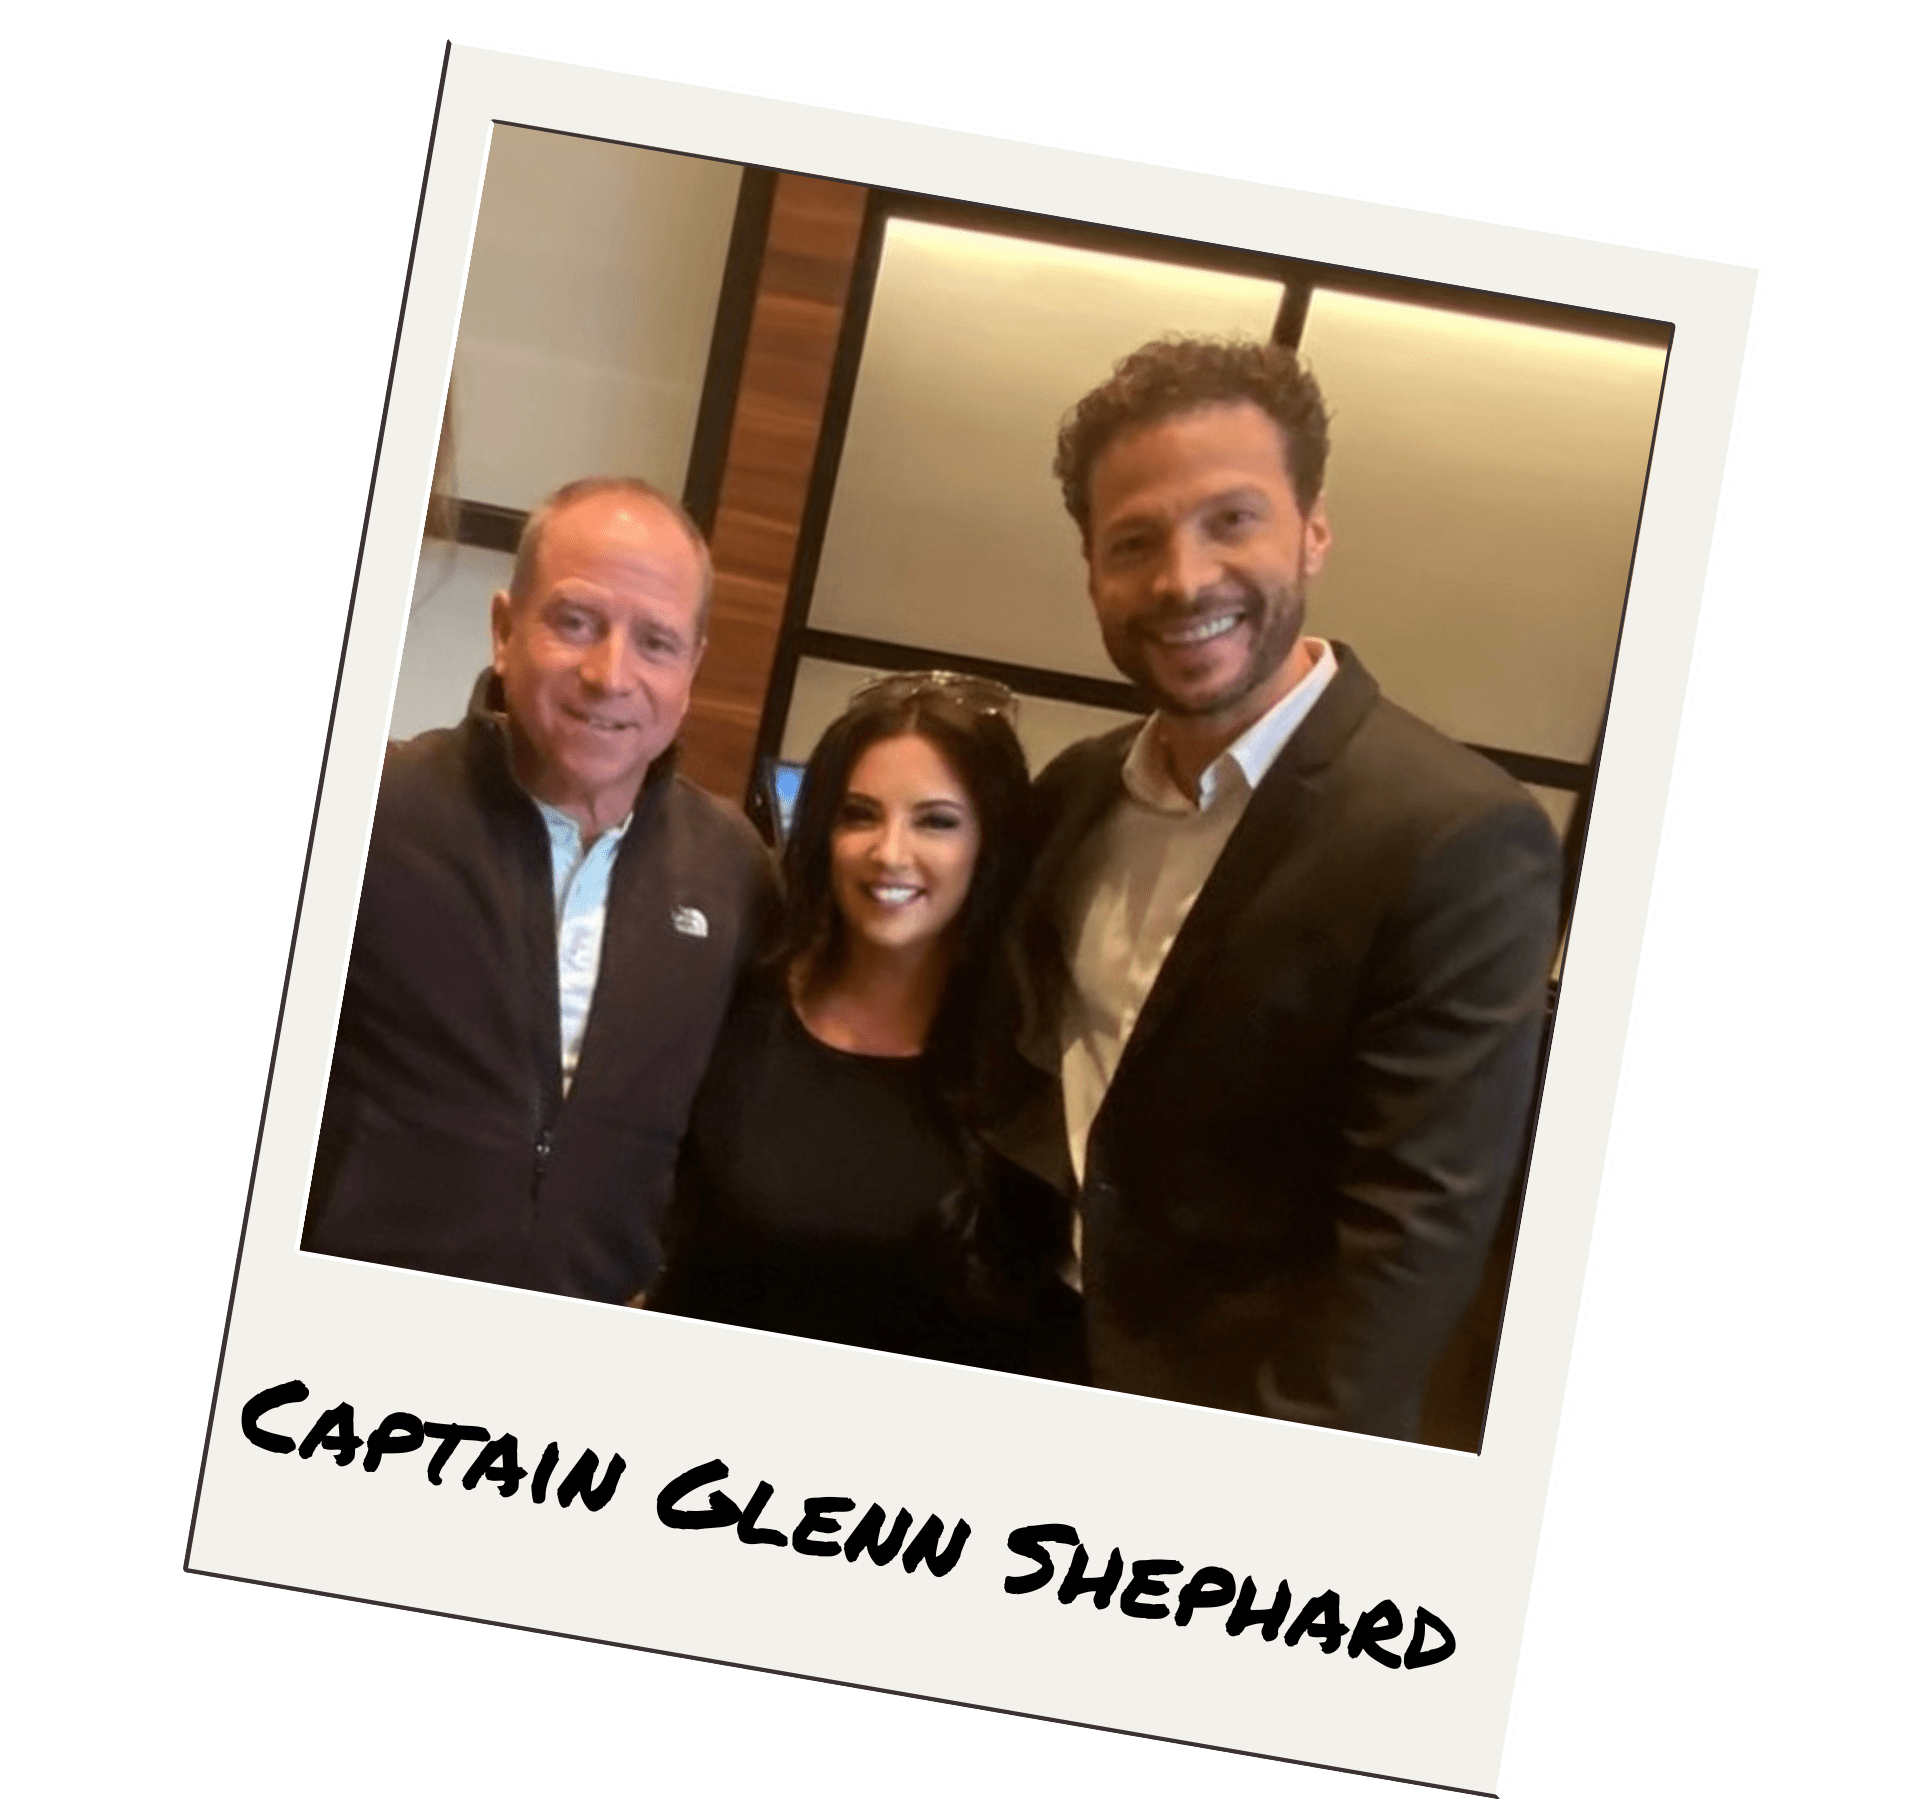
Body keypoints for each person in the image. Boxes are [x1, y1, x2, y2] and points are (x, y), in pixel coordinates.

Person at [992, 336, 1562, 1441]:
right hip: (1037, 1352)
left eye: (1232, 520)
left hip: (1244, 1419)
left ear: (1313, 532)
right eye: (1135, 542)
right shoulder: (1075, 792)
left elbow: (1410, 1239)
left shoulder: (1457, 835)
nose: (1184, 579)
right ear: (1093, 572)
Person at [303, 477, 775, 1301]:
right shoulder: (365, 811)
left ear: (692, 670)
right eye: (576, 621)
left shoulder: (734, 871)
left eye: (656, 642)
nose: (610, 674)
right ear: (504, 629)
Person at [650, 676, 1077, 1375]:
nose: (891, 853)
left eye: (936, 821)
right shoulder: (736, 1006)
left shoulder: (1037, 1057)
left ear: (989, 841)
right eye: (859, 816)